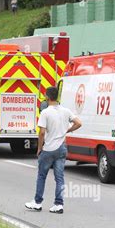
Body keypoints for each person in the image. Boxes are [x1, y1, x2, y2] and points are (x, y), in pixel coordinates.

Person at [25, 86, 82, 214]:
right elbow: (79, 123)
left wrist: (39, 148)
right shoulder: (66, 111)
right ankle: (58, 204)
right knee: (60, 177)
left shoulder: (45, 112)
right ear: (57, 97)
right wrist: (67, 130)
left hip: (49, 149)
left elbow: (41, 133)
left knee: (41, 176)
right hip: (62, 148)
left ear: (47, 97)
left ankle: (37, 202)